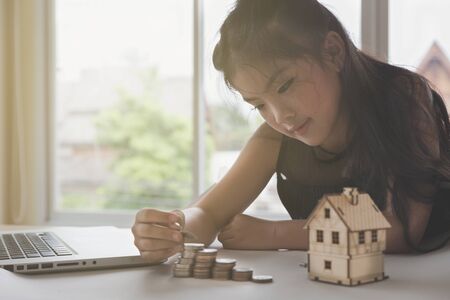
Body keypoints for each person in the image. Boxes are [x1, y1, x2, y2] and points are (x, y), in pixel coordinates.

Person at [132, 0, 450, 263]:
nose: (280, 116)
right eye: (258, 104)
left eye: (285, 85)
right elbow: (209, 212)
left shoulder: (405, 102)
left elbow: (403, 231)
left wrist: (276, 234)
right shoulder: (278, 137)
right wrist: (174, 228)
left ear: (333, 52)